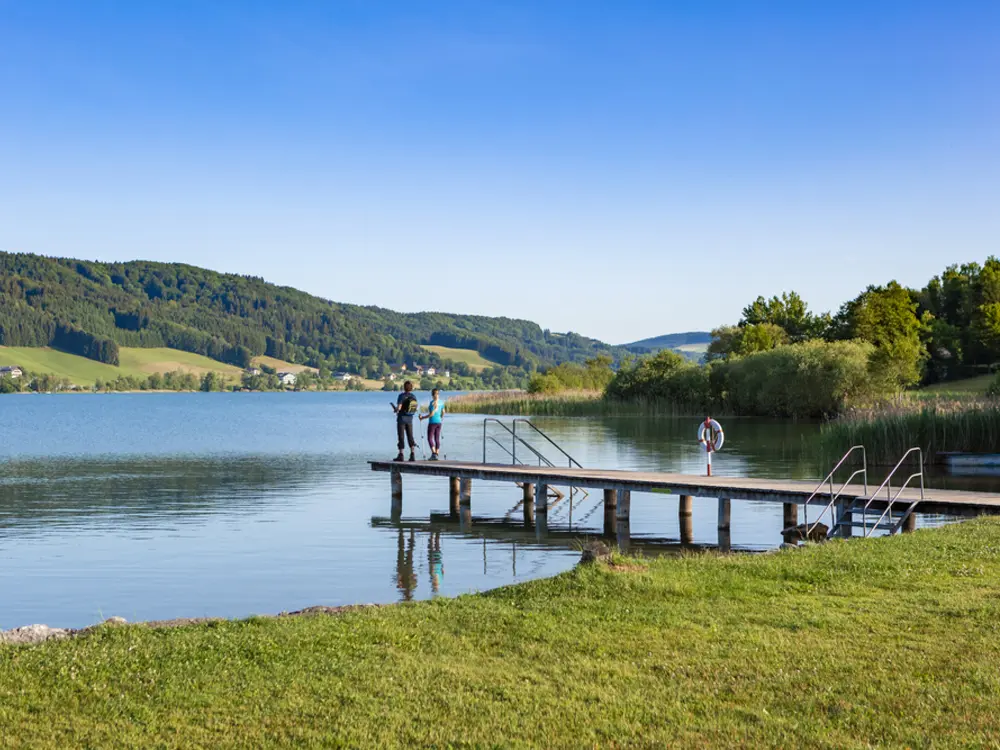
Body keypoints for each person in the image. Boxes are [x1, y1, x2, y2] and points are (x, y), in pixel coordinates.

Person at [391, 380, 419, 461]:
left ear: (404, 387)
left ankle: (401, 454)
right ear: (411, 388)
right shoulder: (413, 396)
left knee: (401, 436)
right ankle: (412, 454)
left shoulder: (401, 396)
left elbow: (399, 408)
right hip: (410, 419)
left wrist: (395, 410)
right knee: (410, 436)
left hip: (402, 419)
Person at [419, 388, 446, 460]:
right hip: (439, 422)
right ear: (438, 394)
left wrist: (423, 418)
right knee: (437, 438)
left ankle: (434, 454)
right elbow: (443, 412)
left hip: (432, 422)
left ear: (432, 395)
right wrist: (440, 417)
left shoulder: (432, 403)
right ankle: (437, 453)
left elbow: (431, 414)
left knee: (429, 438)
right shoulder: (441, 402)